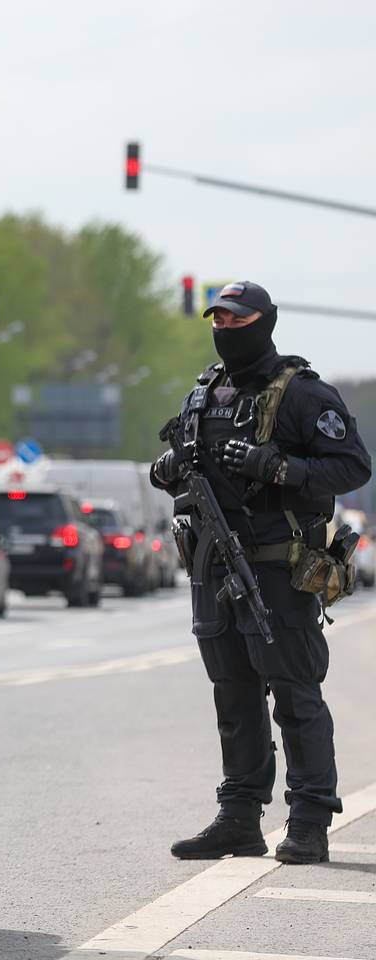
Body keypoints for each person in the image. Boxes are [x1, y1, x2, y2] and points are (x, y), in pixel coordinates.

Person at [152, 281, 371, 865]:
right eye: (217, 321)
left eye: (236, 320)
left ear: (264, 323)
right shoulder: (206, 394)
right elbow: (179, 467)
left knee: (296, 697)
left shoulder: (301, 394)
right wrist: (170, 468)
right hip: (213, 566)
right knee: (235, 696)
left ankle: (309, 823)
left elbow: (352, 466)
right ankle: (240, 819)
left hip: (277, 569)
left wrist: (279, 468)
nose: (225, 330)